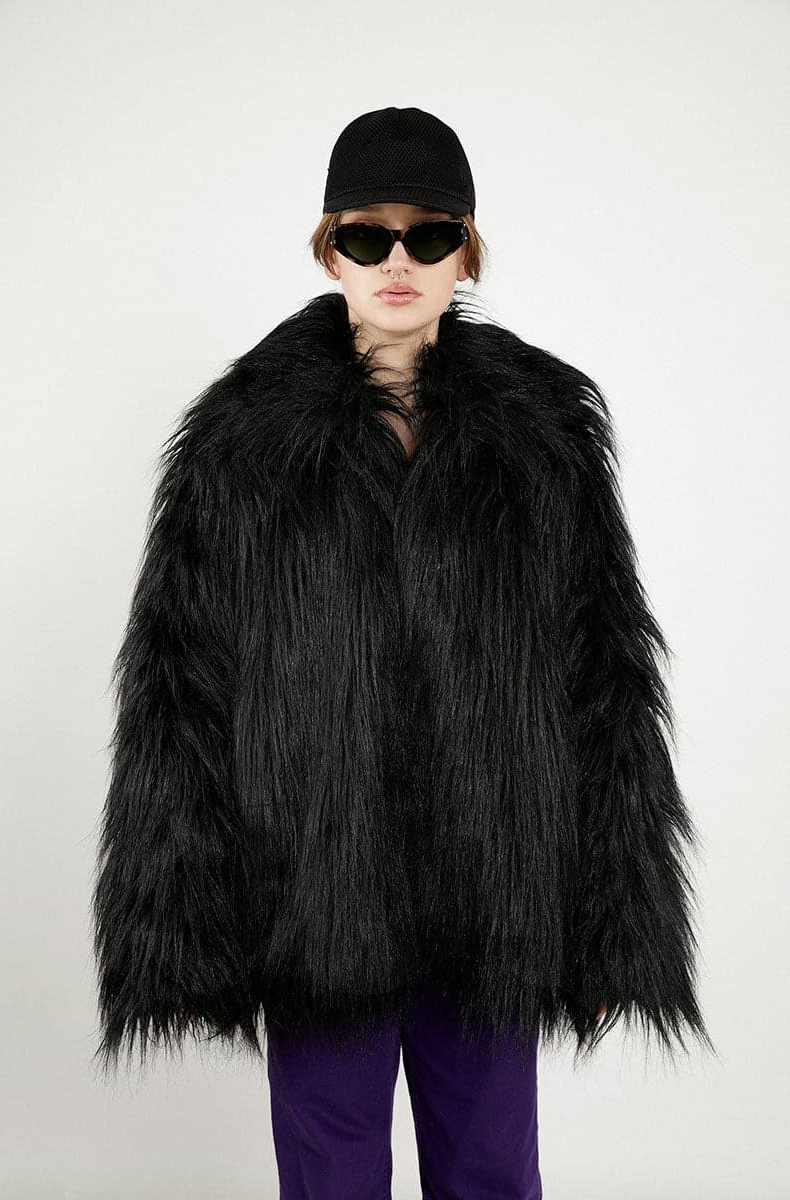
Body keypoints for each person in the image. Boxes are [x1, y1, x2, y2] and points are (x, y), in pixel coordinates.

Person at [90, 107, 715, 1199]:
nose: (397, 261)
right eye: (366, 234)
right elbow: (177, 685)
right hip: (311, 893)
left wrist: (615, 919)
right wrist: (187, 917)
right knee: (330, 1176)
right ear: (327, 249)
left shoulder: (545, 433)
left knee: (490, 1172)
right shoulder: (240, 441)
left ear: (466, 253)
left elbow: (607, 674)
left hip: (492, 893)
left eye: (427, 235)